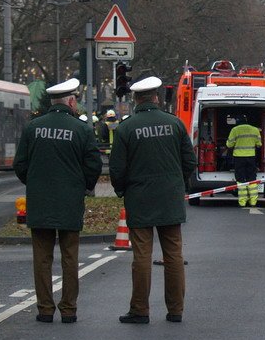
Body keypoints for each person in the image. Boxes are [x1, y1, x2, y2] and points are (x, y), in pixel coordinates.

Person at [12, 78, 102, 323]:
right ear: (71, 101)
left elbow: (19, 164)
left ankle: (44, 309)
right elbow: (93, 164)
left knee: (42, 258)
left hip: (40, 203)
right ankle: (69, 309)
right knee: (70, 257)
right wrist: (83, 186)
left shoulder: (33, 127)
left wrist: (34, 183)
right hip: (70, 203)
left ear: (52, 102)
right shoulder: (81, 129)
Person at [110, 75, 196, 324]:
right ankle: (176, 310)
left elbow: (117, 169)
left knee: (142, 257)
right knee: (174, 255)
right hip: (170, 198)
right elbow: (190, 162)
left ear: (136, 99)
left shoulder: (126, 128)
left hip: (140, 200)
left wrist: (122, 190)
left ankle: (139, 309)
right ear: (156, 97)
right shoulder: (175, 124)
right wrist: (176, 183)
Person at [226, 114, 262, 207]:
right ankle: (253, 201)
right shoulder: (255, 130)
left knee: (241, 180)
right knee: (252, 179)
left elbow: (229, 145)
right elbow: (259, 144)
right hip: (251, 157)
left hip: (239, 158)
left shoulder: (235, 130)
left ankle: (242, 202)